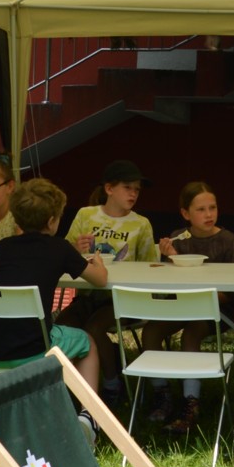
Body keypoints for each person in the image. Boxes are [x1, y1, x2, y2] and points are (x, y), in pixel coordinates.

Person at [0, 177, 109, 442]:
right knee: (87, 342)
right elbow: (99, 280)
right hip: (33, 349)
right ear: (52, 221)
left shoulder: (4, 247)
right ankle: (90, 417)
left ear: (17, 218)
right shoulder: (60, 248)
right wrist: (98, 263)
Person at [150, 181, 234, 434]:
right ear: (185, 213)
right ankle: (162, 394)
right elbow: (169, 285)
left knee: (191, 333)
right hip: (183, 306)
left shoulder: (228, 241)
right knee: (151, 331)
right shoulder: (179, 240)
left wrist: (202, 297)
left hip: (218, 310)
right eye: (201, 209)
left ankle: (191, 403)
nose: (209, 214)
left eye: (212, 207)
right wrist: (169, 257)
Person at [62, 159, 158, 384]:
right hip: (88, 295)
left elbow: (150, 267)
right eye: (127, 187)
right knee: (61, 326)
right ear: (109, 189)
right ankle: (69, 383)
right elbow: (64, 254)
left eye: (137, 189)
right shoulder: (86, 215)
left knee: (94, 327)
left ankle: (112, 383)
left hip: (123, 298)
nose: (133, 194)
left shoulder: (141, 224)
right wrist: (76, 248)